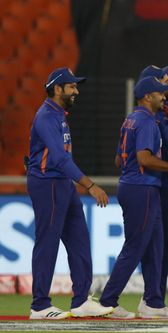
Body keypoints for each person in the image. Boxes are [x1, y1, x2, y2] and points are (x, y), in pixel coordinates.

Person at [99, 76, 168, 319]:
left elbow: (119, 160)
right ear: (147, 97)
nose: (163, 96)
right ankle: (107, 301)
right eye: (159, 93)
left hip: (141, 186)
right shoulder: (145, 121)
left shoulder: (132, 119)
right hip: (141, 188)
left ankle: (153, 302)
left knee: (155, 247)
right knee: (135, 247)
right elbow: (144, 158)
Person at [27, 67, 114, 319]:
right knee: (48, 242)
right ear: (57, 89)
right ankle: (39, 305)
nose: (76, 90)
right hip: (48, 183)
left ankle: (81, 300)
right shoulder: (46, 116)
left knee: (79, 240)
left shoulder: (59, 114)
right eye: (72, 86)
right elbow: (59, 159)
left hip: (62, 183)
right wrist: (90, 185)